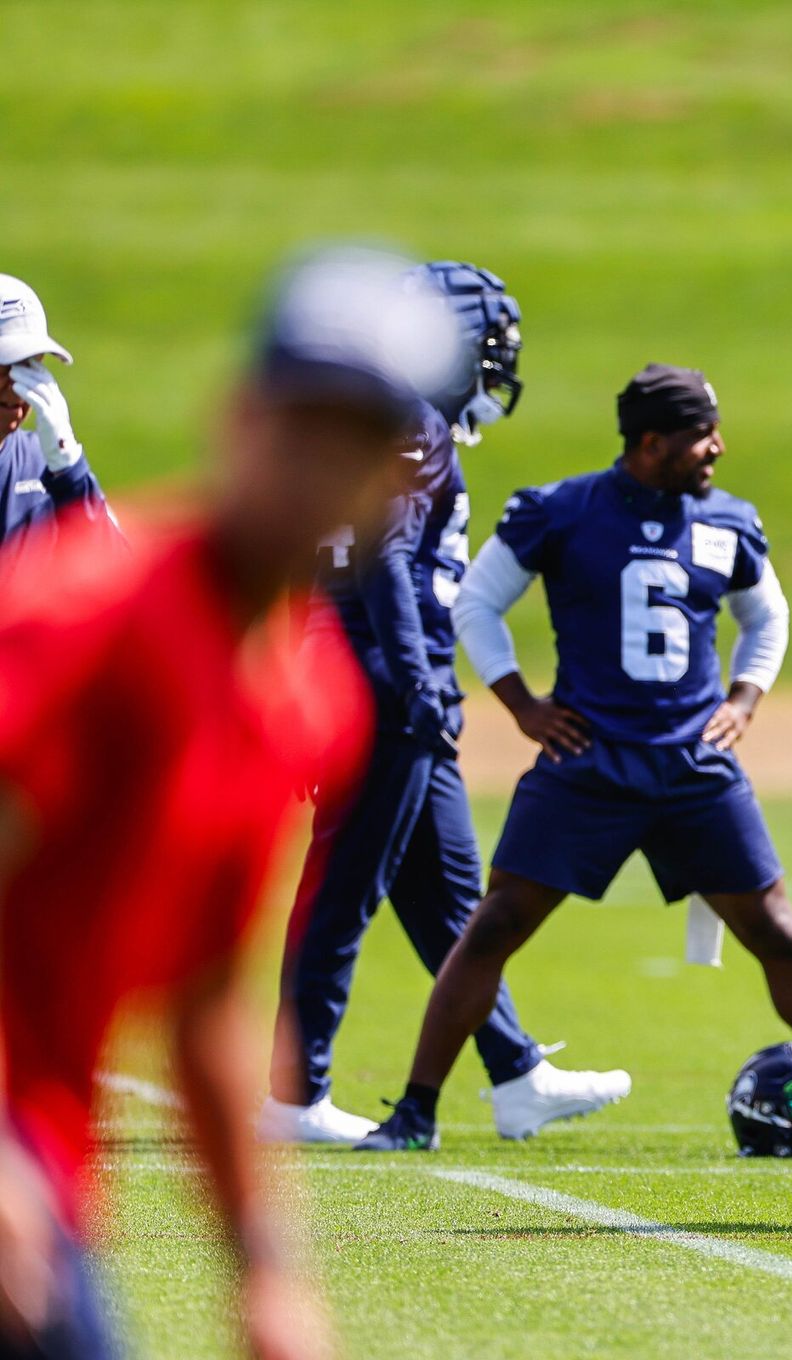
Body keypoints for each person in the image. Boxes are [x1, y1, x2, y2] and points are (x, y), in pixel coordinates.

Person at [0, 245, 462, 1360]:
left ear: (403, 479)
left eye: (354, 439)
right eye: (298, 423)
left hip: (42, 1193)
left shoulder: (308, 698)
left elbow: (210, 998)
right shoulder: (82, 618)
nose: (318, 466)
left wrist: (266, 1273)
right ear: (238, 419)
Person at [358, 363, 792, 1154]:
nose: (717, 448)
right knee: (495, 925)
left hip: (692, 765)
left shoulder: (727, 520)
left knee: (778, 933)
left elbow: (768, 617)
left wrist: (744, 700)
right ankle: (414, 1111)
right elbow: (478, 600)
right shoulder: (561, 511)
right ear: (651, 443)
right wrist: (521, 704)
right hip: (590, 763)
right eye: (700, 435)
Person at [259, 261, 625, 1147]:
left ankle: (515, 1071)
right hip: (386, 677)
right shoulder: (414, 422)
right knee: (345, 888)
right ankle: (292, 1094)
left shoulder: (389, 422)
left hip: (378, 666)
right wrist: (418, 679)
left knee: (449, 896)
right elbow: (382, 556)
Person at [0, 274, 117, 572]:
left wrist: (70, 471)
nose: (17, 386)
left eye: (30, 366)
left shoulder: (47, 465)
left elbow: (115, 576)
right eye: (4, 367)